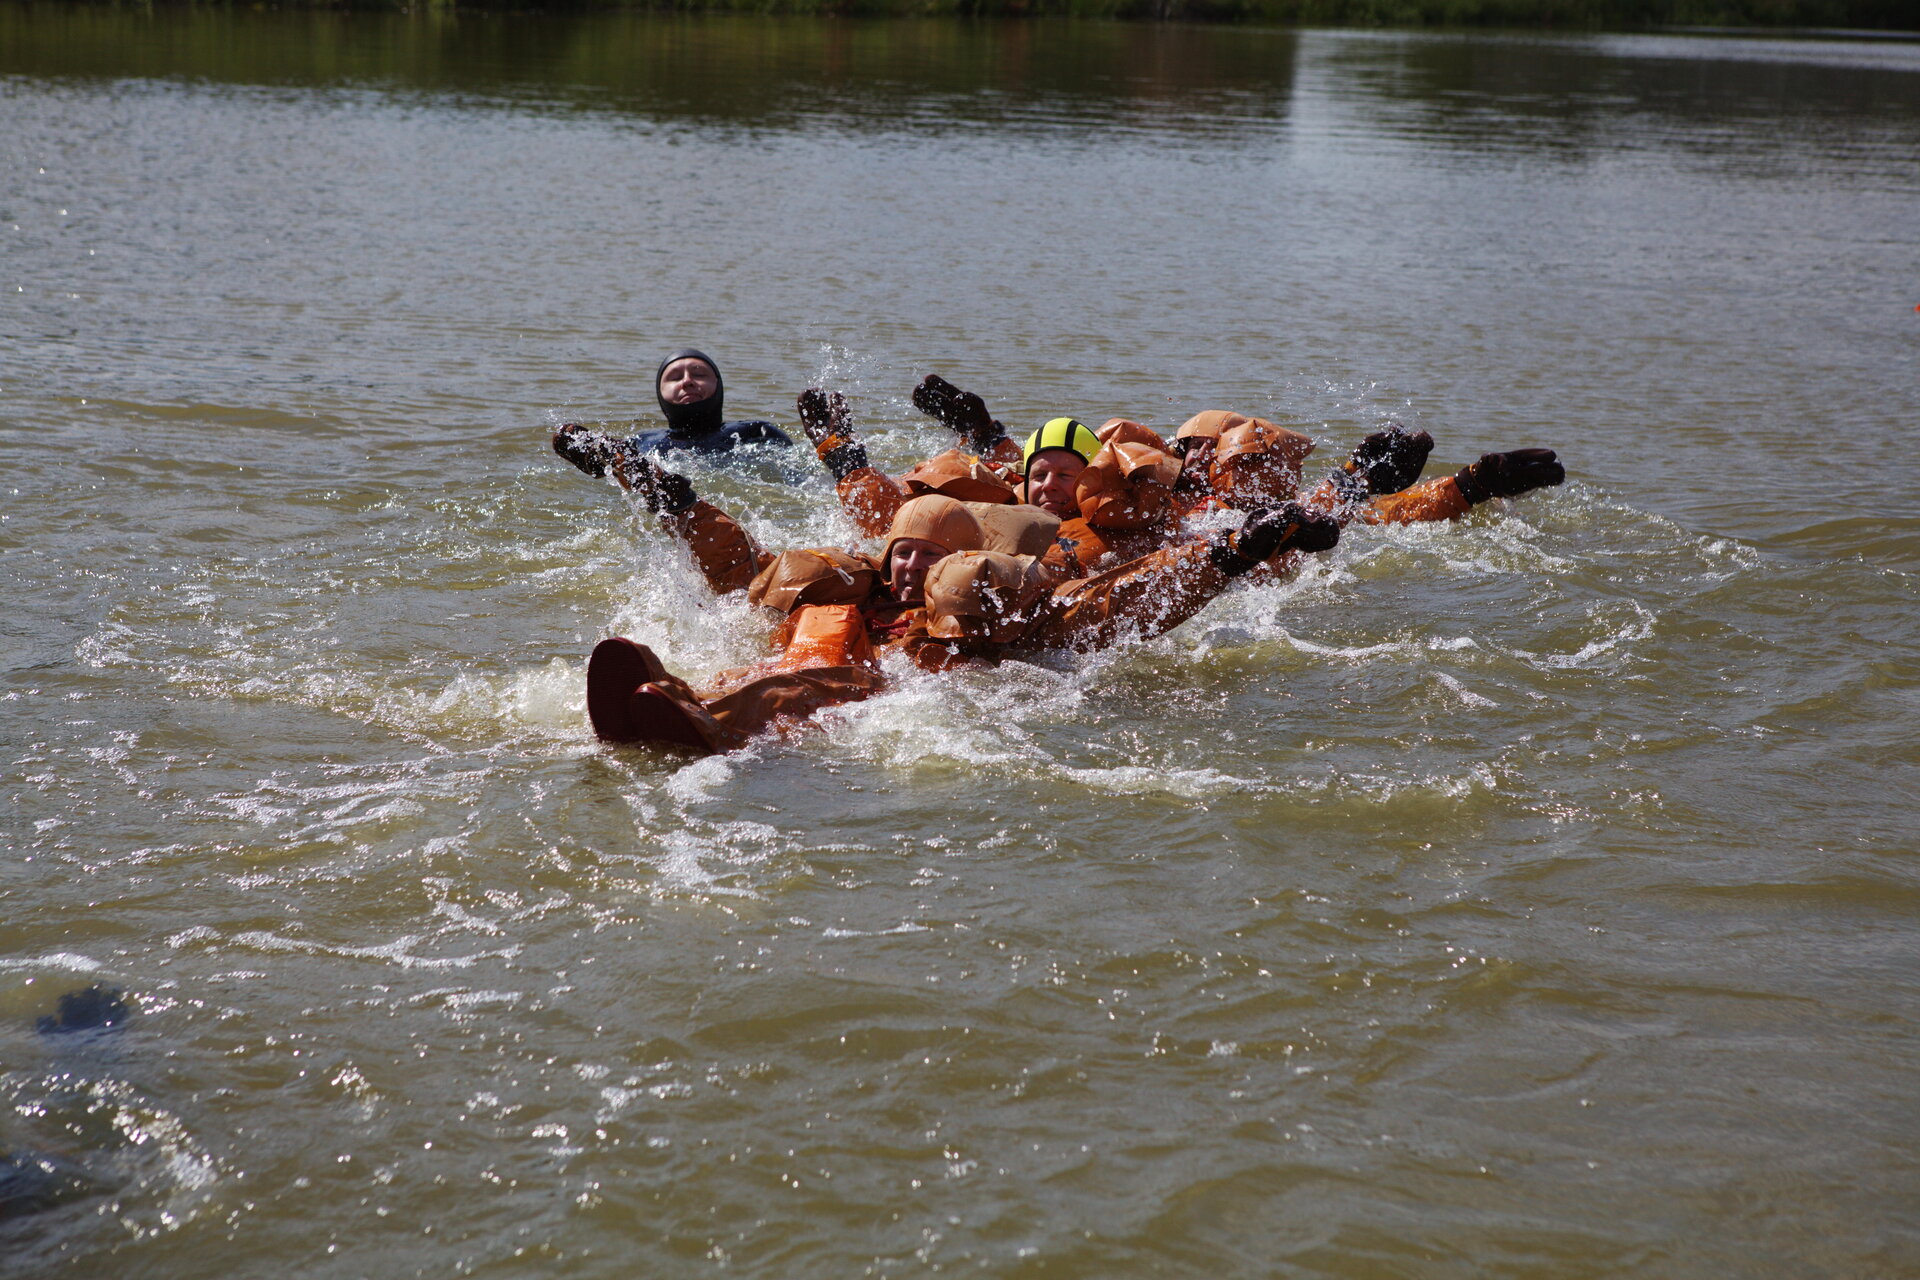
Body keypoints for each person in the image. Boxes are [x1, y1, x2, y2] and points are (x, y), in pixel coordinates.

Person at [553, 348, 792, 462]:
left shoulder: (758, 433)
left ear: (718, 385)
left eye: (699, 374)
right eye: (675, 378)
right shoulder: (640, 443)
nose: (687, 381)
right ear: (660, 392)